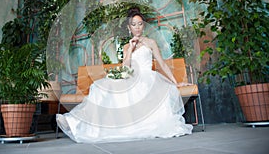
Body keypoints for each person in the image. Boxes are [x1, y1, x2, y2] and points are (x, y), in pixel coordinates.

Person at [56, 7, 193, 143]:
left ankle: (81, 123)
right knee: (100, 89)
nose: (137, 27)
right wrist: (130, 48)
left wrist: (175, 83)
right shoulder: (127, 46)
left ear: (143, 25)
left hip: (147, 79)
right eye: (134, 25)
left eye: (140, 24)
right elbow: (125, 68)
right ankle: (75, 121)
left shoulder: (151, 43)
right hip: (130, 77)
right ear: (129, 27)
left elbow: (162, 64)